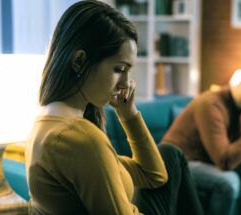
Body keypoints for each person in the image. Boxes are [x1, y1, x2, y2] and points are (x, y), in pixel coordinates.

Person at [25, 1, 203, 215]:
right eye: (119, 69)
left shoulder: (47, 123)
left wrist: (128, 113)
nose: (127, 84)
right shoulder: (81, 139)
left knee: (170, 154)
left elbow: (155, 175)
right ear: (79, 61)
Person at [161, 56, 241, 215]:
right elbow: (224, 161)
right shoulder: (211, 104)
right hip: (180, 163)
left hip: (209, 160)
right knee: (228, 181)